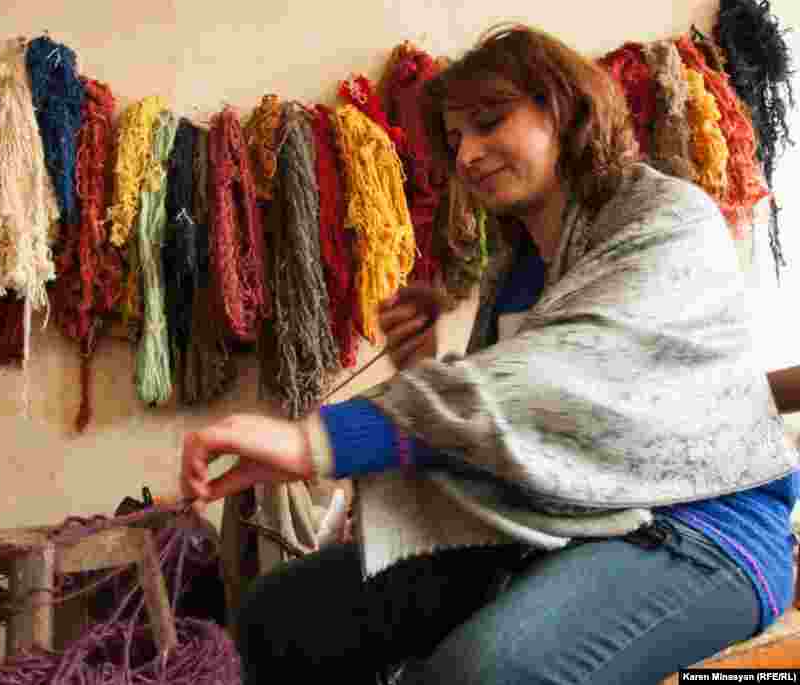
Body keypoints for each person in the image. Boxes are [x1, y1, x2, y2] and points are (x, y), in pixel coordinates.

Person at [180, 25, 799, 684]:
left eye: (490, 121)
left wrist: (319, 440)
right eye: (455, 141)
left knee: (479, 674)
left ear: (563, 108)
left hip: (705, 528)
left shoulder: (668, 220)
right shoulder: (517, 265)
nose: (469, 154)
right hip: (566, 518)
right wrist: (421, 368)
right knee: (284, 614)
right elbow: (507, 437)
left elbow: (558, 375)